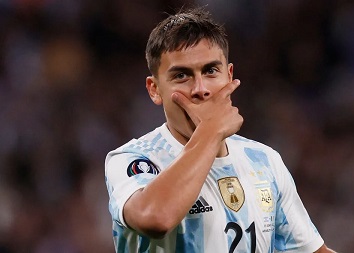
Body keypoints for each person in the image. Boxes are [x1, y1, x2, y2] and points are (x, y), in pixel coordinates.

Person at [105, 7, 336, 253]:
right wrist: (211, 130)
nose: (200, 88)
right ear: (154, 89)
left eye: (210, 71)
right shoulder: (133, 159)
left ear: (229, 75)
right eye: (182, 75)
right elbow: (156, 218)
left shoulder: (264, 161)